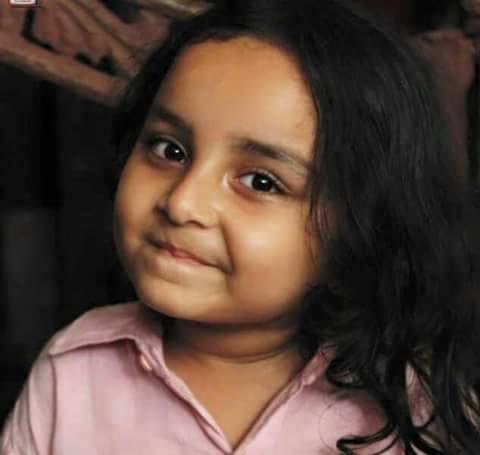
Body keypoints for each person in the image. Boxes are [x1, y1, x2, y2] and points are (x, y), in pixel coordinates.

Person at [2, 0, 480, 453]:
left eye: (260, 181)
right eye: (170, 150)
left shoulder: (413, 407)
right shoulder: (72, 374)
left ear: (362, 230)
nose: (182, 203)